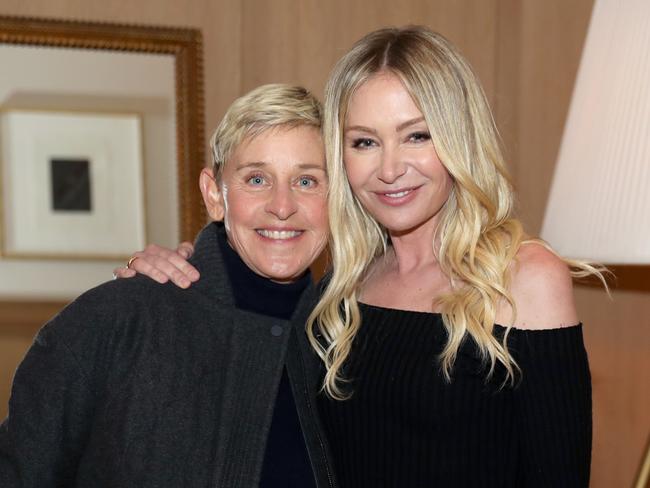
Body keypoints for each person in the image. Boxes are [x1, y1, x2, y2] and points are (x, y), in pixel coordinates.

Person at [118, 26, 604, 487]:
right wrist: (176, 273)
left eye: (417, 135)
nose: (391, 168)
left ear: (459, 138)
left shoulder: (524, 278)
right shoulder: (338, 289)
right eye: (365, 142)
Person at [0, 84, 338, 487]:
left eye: (306, 182)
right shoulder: (114, 322)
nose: (282, 207)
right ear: (214, 194)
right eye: (256, 179)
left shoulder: (347, 338)